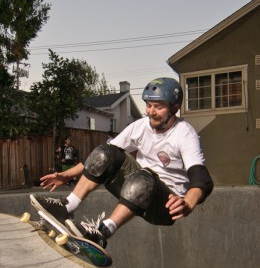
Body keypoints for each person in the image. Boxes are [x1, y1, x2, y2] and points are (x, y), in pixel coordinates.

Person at [30, 77, 213, 249]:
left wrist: (187, 203)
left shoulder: (184, 133)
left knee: (143, 177)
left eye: (158, 107)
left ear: (174, 108)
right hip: (136, 189)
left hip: (165, 205)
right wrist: (67, 174)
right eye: (148, 106)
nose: (151, 112)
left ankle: (102, 232)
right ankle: (66, 206)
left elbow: (201, 179)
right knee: (106, 151)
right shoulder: (140, 126)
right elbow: (100, 158)